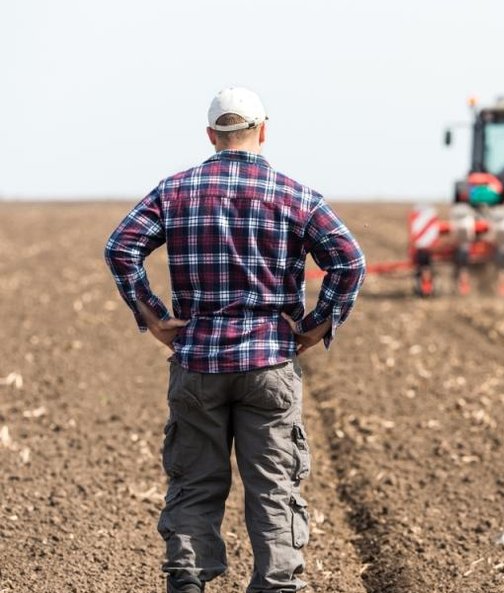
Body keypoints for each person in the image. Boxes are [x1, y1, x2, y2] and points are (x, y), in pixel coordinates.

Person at [104, 87, 366, 593]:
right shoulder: (297, 195)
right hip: (269, 363)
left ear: (210, 136)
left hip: (198, 363)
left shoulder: (174, 190)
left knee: (195, 484)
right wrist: (319, 323)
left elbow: (121, 247)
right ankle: (277, 585)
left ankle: (188, 581)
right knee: (273, 489)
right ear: (263, 131)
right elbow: (349, 260)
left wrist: (155, 317)